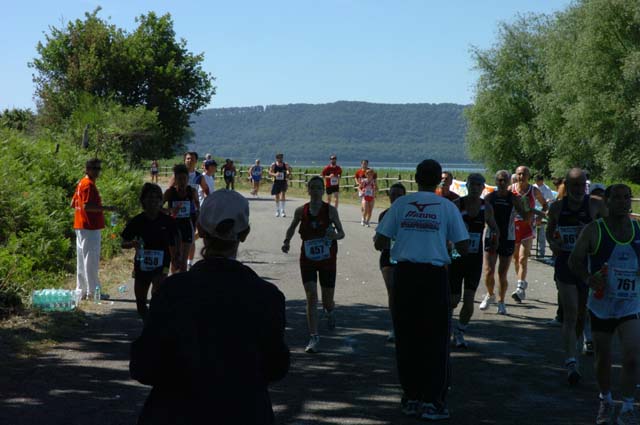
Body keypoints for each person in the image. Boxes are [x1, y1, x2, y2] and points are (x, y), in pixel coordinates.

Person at [130, 189, 290, 425]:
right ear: (244, 234)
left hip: (176, 412)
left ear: (200, 230)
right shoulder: (268, 296)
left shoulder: (172, 291)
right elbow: (276, 367)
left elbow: (144, 366)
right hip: (245, 412)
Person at [375, 159, 469, 421]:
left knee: (407, 337)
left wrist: (403, 237)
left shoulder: (401, 204)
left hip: (404, 273)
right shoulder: (448, 207)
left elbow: (380, 241)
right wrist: (443, 243)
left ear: (415, 178)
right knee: (436, 339)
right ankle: (433, 400)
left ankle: (411, 396)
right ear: (440, 179)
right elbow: (464, 246)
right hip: (434, 275)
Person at [569, 184, 640, 425]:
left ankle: (628, 406)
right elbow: (574, 261)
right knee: (604, 357)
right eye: (617, 198)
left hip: (630, 304)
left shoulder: (638, 229)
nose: (622, 202)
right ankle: (605, 400)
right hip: (602, 305)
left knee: (631, 356)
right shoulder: (594, 230)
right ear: (607, 202)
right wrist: (589, 278)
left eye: (626, 198)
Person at [546, 168, 606, 385]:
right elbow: (548, 231)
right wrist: (554, 243)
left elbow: (608, 230)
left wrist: (591, 231)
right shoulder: (557, 207)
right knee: (571, 313)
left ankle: (578, 344)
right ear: (567, 187)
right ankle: (571, 362)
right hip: (565, 265)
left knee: (582, 315)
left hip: (588, 266)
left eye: (582, 185)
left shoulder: (595, 205)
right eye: (575, 186)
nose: (580, 190)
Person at [282, 176, 345, 353]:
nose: (316, 191)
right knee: (311, 296)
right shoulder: (301, 210)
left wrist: (335, 235)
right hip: (307, 259)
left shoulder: (331, 211)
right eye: (313, 188)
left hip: (328, 259)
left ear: (323, 191)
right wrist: (286, 241)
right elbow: (292, 227)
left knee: (327, 300)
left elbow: (342, 233)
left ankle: (330, 311)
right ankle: (314, 337)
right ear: (308, 190)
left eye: (319, 188)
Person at [450, 173, 499, 348]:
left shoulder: (487, 208)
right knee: (453, 299)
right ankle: (446, 328)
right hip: (456, 258)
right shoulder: (457, 205)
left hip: (474, 259)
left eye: (479, 185)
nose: (475, 188)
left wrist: (494, 241)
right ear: (467, 186)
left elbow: (494, 228)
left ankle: (460, 332)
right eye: (472, 184)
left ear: (483, 188)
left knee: (469, 300)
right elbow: (447, 229)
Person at [121, 183, 178, 320]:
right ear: (143, 201)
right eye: (149, 197)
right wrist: (133, 244)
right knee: (141, 304)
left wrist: (177, 258)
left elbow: (175, 241)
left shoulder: (168, 222)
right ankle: (149, 325)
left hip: (161, 265)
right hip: (141, 264)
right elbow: (123, 243)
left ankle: (154, 328)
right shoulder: (137, 221)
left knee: (157, 298)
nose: (153, 201)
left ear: (160, 201)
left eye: (156, 198)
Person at [479, 170, 527, 315]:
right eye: (499, 180)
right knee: (488, 271)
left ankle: (501, 301)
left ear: (509, 182)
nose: (502, 183)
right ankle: (490, 294)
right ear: (495, 181)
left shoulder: (513, 198)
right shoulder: (489, 197)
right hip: (491, 237)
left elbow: (524, 215)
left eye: (504, 180)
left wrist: (527, 210)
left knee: (502, 273)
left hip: (508, 238)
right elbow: (481, 216)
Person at [71, 158, 117, 300]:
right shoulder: (89, 185)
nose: (97, 171)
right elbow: (87, 206)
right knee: (91, 260)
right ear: (87, 169)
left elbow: (73, 203)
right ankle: (93, 292)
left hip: (80, 225)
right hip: (90, 227)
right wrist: (107, 208)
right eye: (94, 168)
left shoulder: (81, 183)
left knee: (82, 260)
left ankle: (82, 290)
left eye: (99, 168)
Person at [511, 165, 548, 303]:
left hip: (527, 228)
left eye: (524, 174)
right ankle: (521, 282)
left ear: (528, 176)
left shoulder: (534, 190)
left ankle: (520, 289)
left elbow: (545, 205)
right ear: (516, 175)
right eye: (519, 174)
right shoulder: (511, 190)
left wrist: (539, 218)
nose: (521, 176)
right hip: (514, 228)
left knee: (522, 258)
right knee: (515, 259)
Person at [377, 183, 406, 342]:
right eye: (392, 195)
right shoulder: (384, 215)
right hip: (388, 256)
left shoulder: (410, 214)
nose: (395, 198)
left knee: (406, 292)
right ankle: (395, 327)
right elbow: (379, 241)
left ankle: (407, 323)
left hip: (406, 257)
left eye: (399, 195)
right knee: (393, 292)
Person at [163, 164, 200, 273]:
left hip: (186, 226)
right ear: (175, 179)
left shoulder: (192, 191)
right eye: (179, 179)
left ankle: (182, 285)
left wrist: (197, 217)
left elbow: (198, 207)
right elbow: (159, 207)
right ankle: (174, 283)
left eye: (184, 178)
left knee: (183, 261)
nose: (182, 181)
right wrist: (170, 211)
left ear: (188, 179)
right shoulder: (170, 192)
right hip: (173, 227)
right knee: (174, 260)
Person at [534, 175, 555, 258]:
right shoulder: (533, 187)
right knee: (530, 231)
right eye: (536, 181)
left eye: (538, 181)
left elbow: (552, 199)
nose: (537, 183)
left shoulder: (546, 189)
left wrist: (547, 201)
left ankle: (541, 252)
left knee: (541, 232)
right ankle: (527, 251)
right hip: (533, 210)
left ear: (542, 181)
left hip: (542, 210)